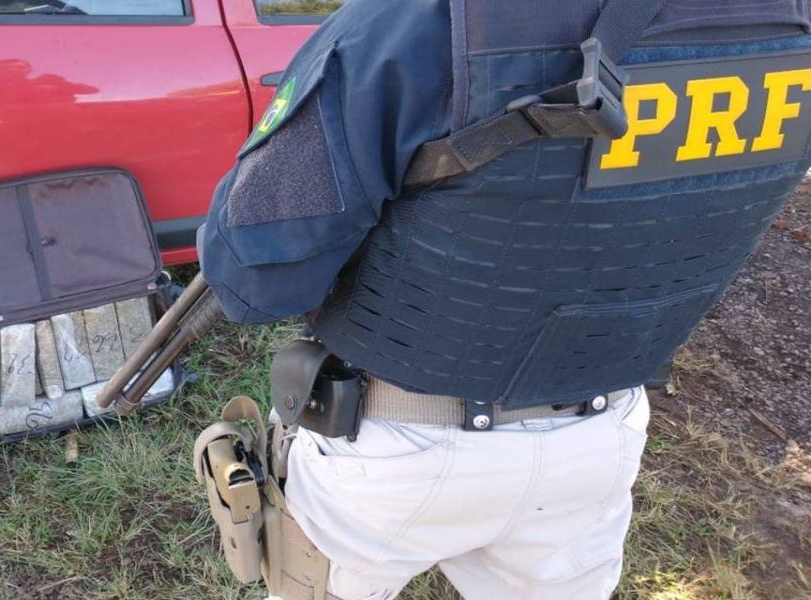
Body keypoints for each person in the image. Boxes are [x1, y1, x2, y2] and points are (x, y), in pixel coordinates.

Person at [196, 0, 811, 598]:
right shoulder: (791, 25)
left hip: (390, 446)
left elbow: (256, 281)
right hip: (599, 440)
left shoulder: (418, 21)